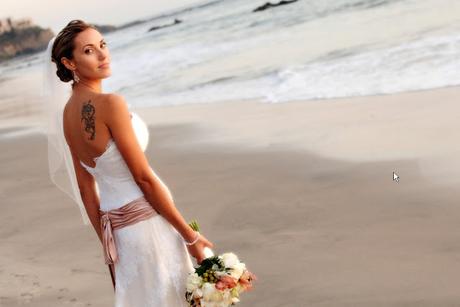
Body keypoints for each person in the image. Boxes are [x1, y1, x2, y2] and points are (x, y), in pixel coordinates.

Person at [47, 19, 214, 306]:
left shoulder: (67, 115)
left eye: (103, 44)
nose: (102, 55)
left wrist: (110, 250)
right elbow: (144, 179)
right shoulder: (110, 104)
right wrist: (190, 236)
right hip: (149, 226)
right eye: (89, 50)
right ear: (69, 62)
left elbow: (88, 192)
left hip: (122, 238)